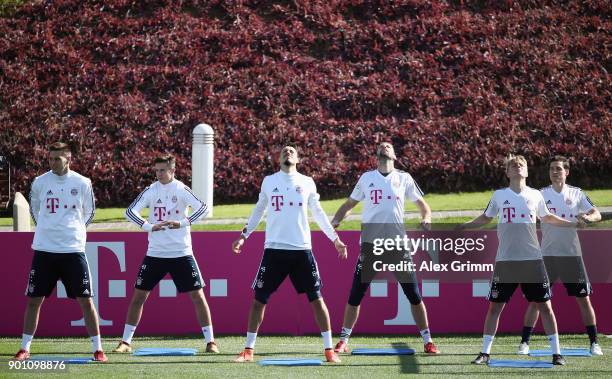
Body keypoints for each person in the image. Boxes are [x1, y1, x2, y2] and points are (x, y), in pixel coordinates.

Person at [461, 155, 582, 366]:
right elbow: (485, 217)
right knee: (495, 307)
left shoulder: (535, 195)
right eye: (513, 165)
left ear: (526, 172)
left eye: (522, 165)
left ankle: (557, 353)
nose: (518, 167)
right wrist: (464, 226)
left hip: (532, 261)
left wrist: (571, 223)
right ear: (507, 172)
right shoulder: (499, 195)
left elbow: (548, 217)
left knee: (545, 307)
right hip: (506, 261)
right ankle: (485, 352)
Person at [232, 145, 348, 363]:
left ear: (298, 158)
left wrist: (335, 239)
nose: (288, 153)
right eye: (284, 151)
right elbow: (258, 209)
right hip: (274, 250)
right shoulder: (269, 181)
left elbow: (319, 213)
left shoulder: (306, 182)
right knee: (259, 300)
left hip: (301, 250)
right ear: (278, 158)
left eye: (292, 151)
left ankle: (329, 350)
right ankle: (248, 350)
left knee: (316, 298)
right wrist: (243, 235)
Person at [330, 142, 439, 354]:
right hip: (371, 245)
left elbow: (424, 207)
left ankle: (428, 340)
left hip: (397, 245)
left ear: (395, 155)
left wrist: (426, 218)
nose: (385, 147)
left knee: (414, 295)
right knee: (355, 295)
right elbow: (348, 204)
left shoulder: (404, 178)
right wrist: (335, 222)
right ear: (376, 154)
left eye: (389, 146)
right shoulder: (366, 178)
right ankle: (343, 340)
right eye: (381, 146)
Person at [113, 155, 218, 354]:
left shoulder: (181, 189)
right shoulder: (151, 190)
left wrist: (183, 222)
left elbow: (202, 208)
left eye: (163, 170)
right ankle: (125, 342)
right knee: (139, 296)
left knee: (198, 296)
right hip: (155, 253)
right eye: (157, 170)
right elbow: (130, 212)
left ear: (172, 170)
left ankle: (211, 342)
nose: (159, 174)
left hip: (181, 252)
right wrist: (149, 226)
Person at [15, 142, 107, 362]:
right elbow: (35, 210)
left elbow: (89, 212)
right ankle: (25, 348)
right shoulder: (40, 182)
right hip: (44, 249)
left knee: (86, 300)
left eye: (57, 158)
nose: (52, 162)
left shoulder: (83, 182)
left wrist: (73, 231)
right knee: (34, 300)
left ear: (69, 158)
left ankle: (98, 349)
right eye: (50, 158)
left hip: (73, 249)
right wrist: (48, 228)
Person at [517, 156, 602, 356]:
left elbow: (596, 213)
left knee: (583, 299)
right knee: (536, 301)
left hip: (572, 255)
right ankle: (524, 342)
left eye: (559, 169)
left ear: (567, 172)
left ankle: (594, 342)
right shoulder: (540, 194)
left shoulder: (576, 193)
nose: (555, 172)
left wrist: (588, 218)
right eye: (552, 169)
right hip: (546, 256)